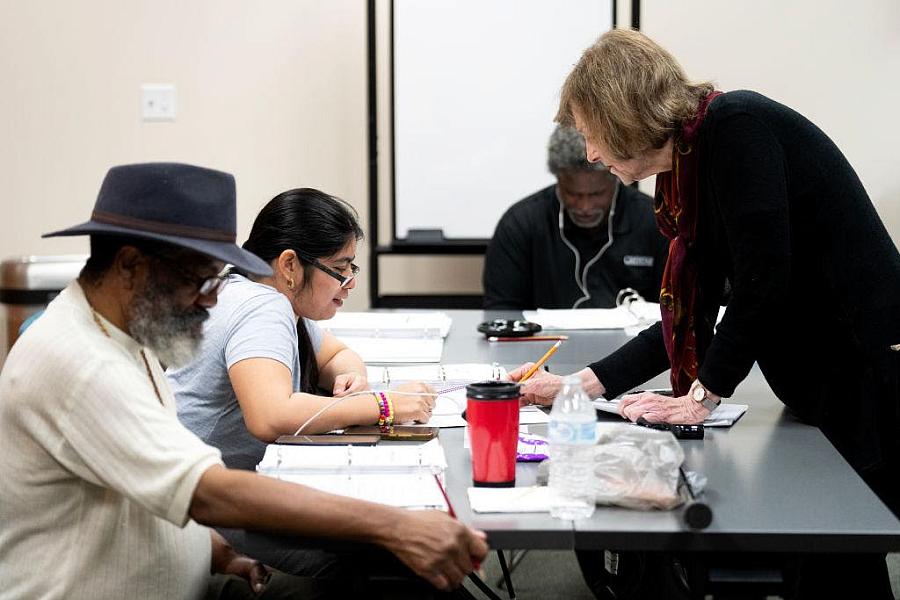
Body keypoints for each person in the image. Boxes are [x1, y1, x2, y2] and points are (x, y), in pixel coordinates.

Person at [513, 29, 900, 599]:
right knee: (826, 563)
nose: (590, 154)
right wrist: (580, 385)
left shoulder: (738, 128)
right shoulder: (691, 166)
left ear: (622, 116)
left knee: (840, 558)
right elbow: (687, 312)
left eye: (592, 135)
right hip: (825, 378)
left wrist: (700, 397)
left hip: (870, 375)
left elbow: (763, 283)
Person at [0, 163, 488, 600]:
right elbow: (210, 491)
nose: (213, 301)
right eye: (201, 281)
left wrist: (214, 552)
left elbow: (143, 487)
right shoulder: (82, 364)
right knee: (388, 570)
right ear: (130, 266)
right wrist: (395, 525)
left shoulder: (117, 334)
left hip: (214, 565)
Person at [169, 188, 435, 472]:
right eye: (339, 269)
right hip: (197, 495)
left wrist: (351, 377)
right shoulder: (262, 306)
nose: (350, 283)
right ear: (289, 265)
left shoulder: (260, 293)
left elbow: (336, 355)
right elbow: (269, 417)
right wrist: (383, 406)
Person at [483, 125, 668, 310]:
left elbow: (671, 312)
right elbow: (501, 313)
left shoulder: (655, 221)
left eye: (596, 194)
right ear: (559, 180)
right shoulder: (520, 224)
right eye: (573, 194)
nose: (585, 207)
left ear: (616, 178)